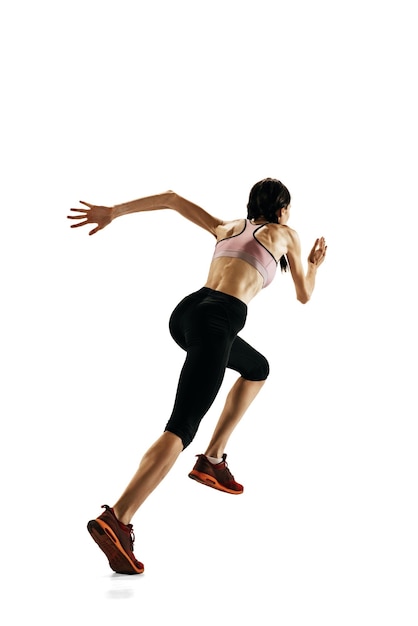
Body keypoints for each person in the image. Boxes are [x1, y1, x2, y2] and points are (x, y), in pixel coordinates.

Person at [67, 178, 327, 575]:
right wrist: (311, 265)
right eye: (287, 209)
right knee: (181, 426)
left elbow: (172, 199)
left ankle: (212, 459)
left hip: (188, 313)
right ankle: (118, 518)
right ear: (282, 209)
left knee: (257, 368)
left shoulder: (227, 227)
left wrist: (113, 212)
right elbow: (304, 294)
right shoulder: (284, 233)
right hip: (217, 319)